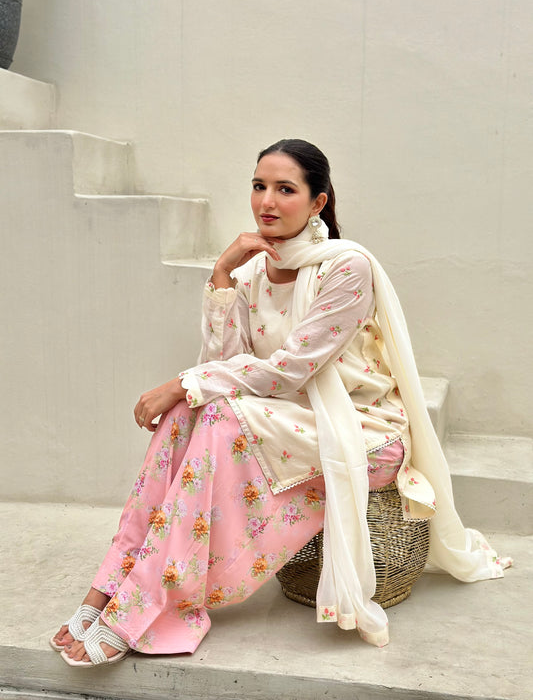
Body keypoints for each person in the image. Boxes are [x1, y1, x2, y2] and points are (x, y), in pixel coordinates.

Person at [51, 138, 511, 667]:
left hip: (360, 430)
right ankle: (106, 589)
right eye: (258, 186)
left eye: (285, 189)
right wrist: (222, 277)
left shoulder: (346, 268)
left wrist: (185, 381)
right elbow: (230, 367)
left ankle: (145, 604)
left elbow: (290, 370)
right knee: (188, 412)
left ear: (318, 202)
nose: (266, 201)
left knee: (209, 405)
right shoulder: (252, 272)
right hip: (280, 420)